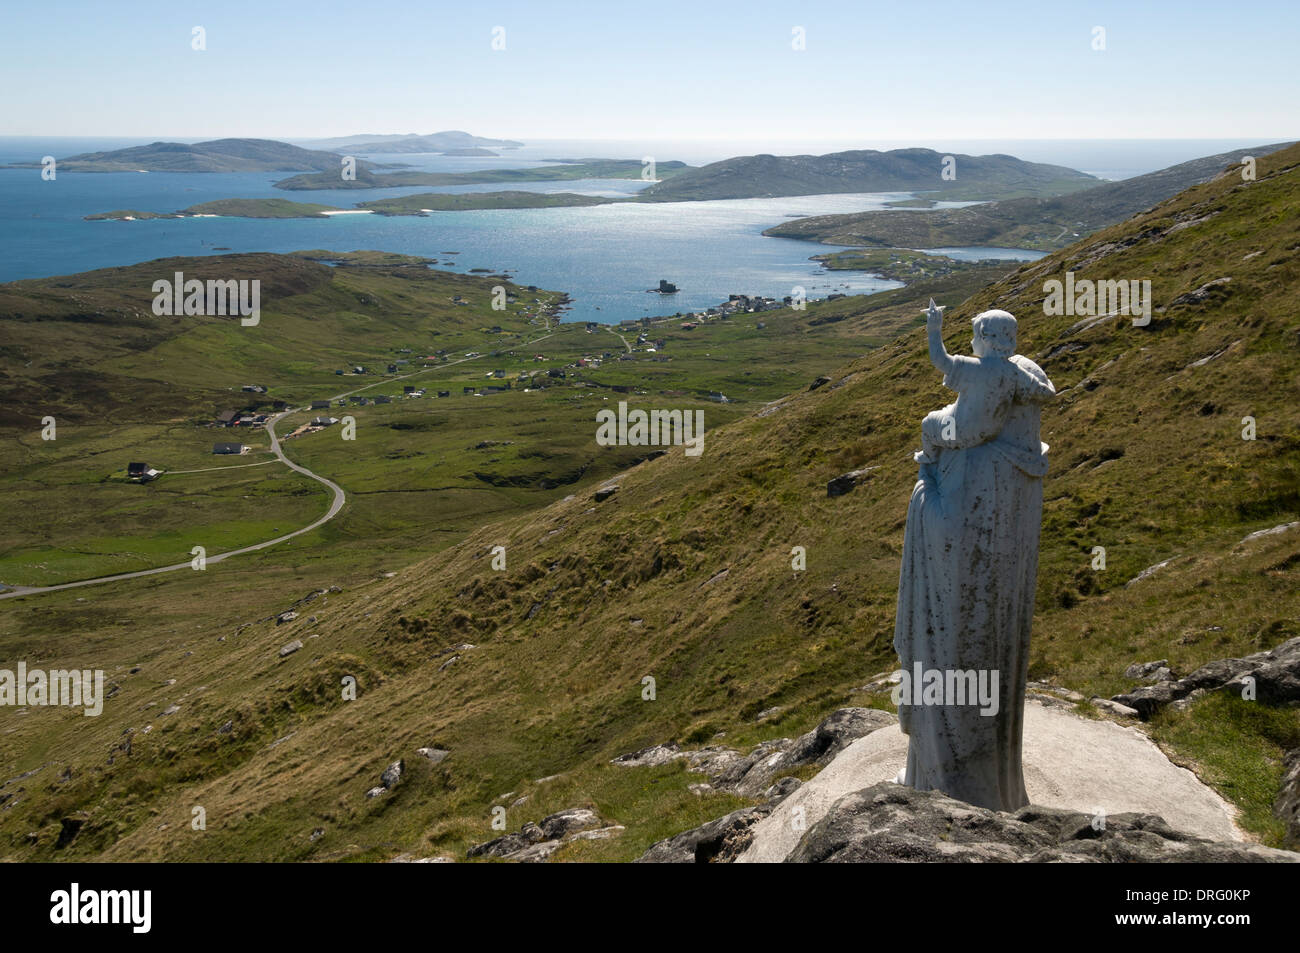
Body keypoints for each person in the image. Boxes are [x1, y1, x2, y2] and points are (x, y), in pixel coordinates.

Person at [892, 299, 1056, 812]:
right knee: (989, 642)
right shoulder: (1026, 381)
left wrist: (929, 452)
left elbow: (965, 429)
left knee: (953, 637)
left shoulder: (985, 403)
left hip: (965, 529)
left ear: (987, 339)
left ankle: (948, 776)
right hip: (1006, 529)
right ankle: (983, 776)